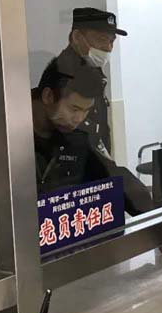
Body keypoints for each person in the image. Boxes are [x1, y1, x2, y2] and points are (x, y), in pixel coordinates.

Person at [32, 57, 153, 216]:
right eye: (74, 109)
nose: (78, 118)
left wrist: (158, 219)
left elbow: (114, 175)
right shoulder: (7, 134)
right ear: (48, 96)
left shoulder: (79, 133)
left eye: (86, 110)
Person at [55, 7, 126, 158]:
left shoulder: (93, 70)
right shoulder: (65, 75)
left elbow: (100, 129)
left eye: (111, 41)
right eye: (101, 39)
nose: (108, 47)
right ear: (77, 37)